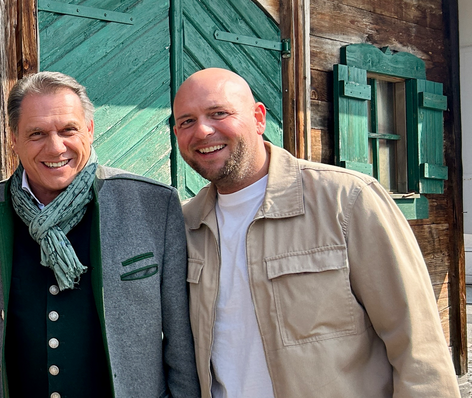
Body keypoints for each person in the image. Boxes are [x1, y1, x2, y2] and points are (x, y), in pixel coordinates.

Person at [172, 67, 460, 398]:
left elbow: (417, 347)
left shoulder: (347, 200)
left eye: (218, 113)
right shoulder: (185, 225)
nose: (203, 130)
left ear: (258, 118)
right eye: (186, 121)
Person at [0, 71, 200, 397]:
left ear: (89, 130)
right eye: (37, 134)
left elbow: (180, 339)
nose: (55, 146)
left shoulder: (154, 205)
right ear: (13, 138)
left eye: (68, 130)